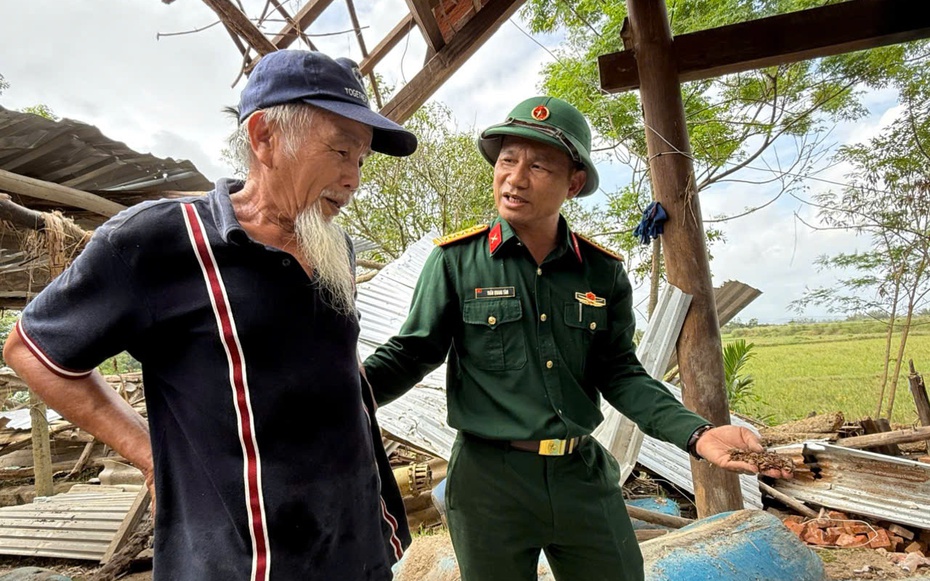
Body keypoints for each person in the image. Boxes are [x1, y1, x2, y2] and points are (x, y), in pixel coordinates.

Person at [3, 50, 418, 581]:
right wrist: (149, 454)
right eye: (340, 151)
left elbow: (336, 364)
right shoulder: (157, 240)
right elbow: (32, 351)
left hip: (356, 546)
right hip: (242, 560)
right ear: (265, 137)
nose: (353, 178)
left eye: (360, 160)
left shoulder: (335, 247)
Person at [363, 96, 792, 581]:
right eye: (508, 160)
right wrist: (339, 399)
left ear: (574, 182)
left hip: (580, 475)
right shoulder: (456, 262)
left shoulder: (602, 272)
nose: (515, 177)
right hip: (488, 481)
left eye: (539, 165)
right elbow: (410, 353)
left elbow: (622, 373)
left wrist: (698, 434)